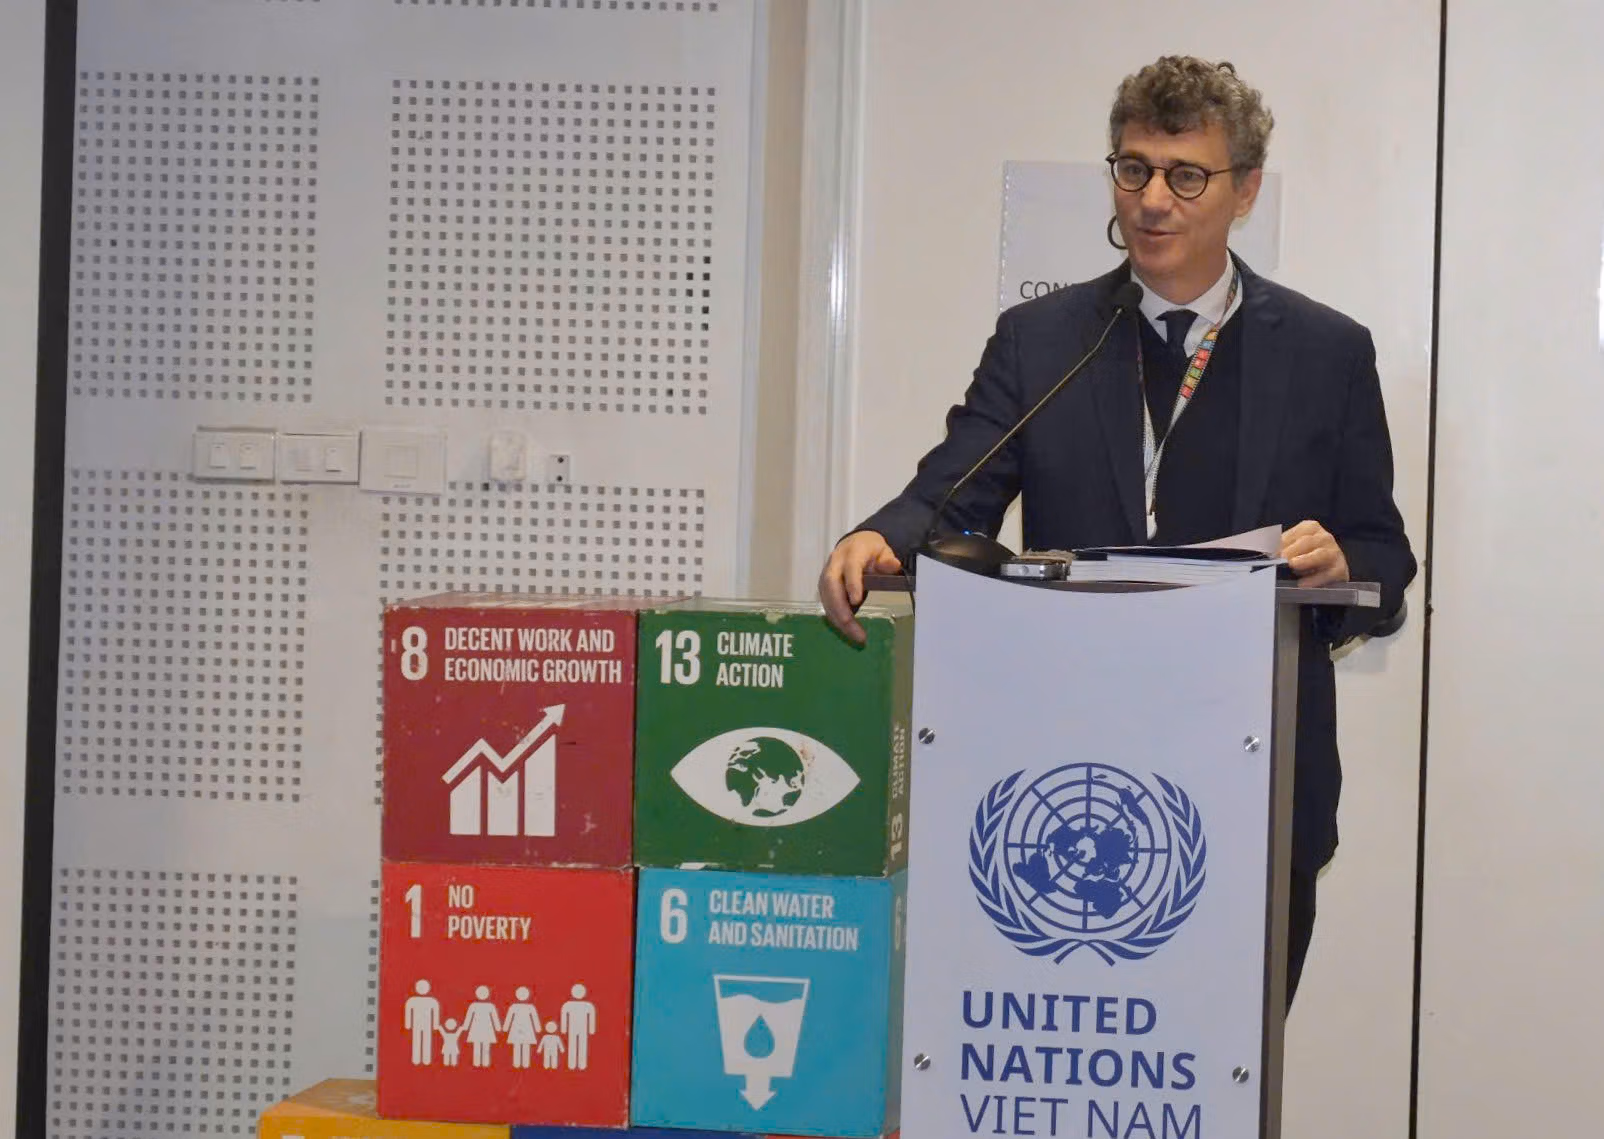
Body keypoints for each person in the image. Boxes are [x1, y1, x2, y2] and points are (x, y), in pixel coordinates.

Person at [817, 55, 1416, 1005]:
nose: (1153, 200)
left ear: (1246, 190)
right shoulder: (1044, 340)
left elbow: (1385, 557)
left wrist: (1341, 562)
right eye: (1134, 169)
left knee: (1226, 1061)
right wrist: (882, 536)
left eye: (1186, 176)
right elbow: (954, 489)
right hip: (1063, 784)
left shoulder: (1326, 352)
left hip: (1257, 781)